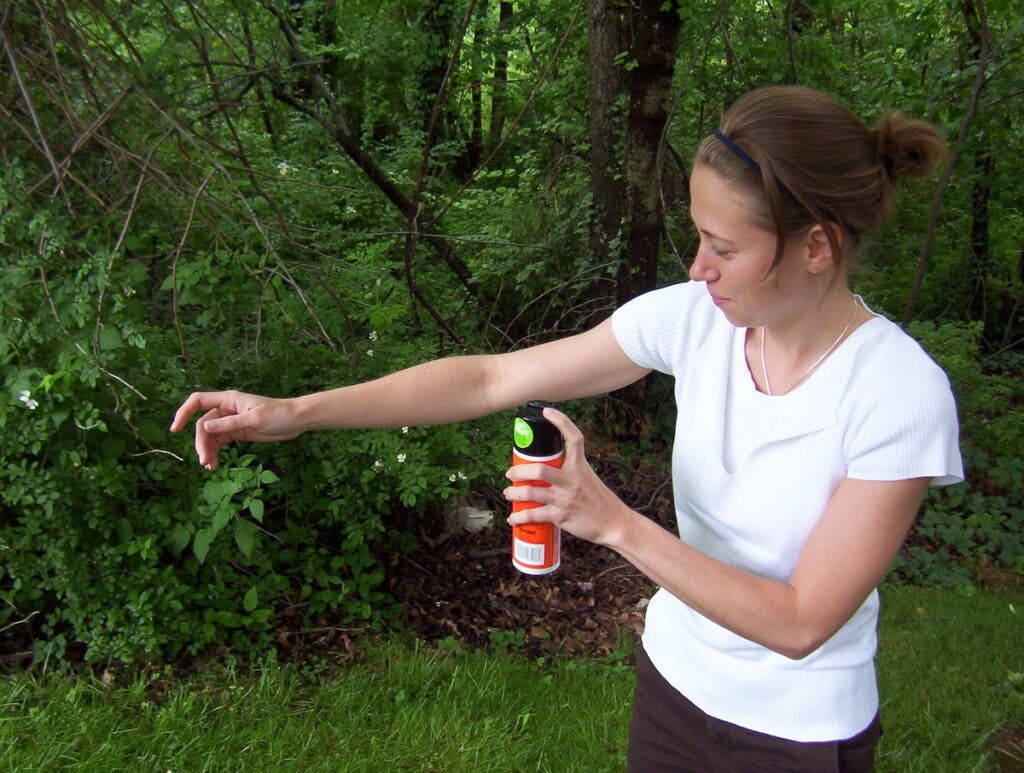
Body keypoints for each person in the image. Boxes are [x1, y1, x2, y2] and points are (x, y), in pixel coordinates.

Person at [171, 85, 963, 771]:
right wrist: (298, 412)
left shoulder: (898, 393)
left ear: (816, 247)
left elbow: (800, 621)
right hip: (675, 692)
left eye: (723, 247)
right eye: (696, 236)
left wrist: (612, 522)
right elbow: (491, 376)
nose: (696, 268)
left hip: (800, 734)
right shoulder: (697, 321)